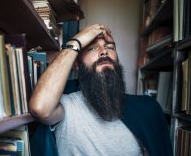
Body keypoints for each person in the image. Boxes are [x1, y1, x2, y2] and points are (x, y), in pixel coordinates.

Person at [29, 24, 173, 156]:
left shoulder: (146, 111)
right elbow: (40, 108)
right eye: (92, 48)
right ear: (77, 65)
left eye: (110, 47)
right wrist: (76, 42)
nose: (104, 52)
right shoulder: (68, 105)